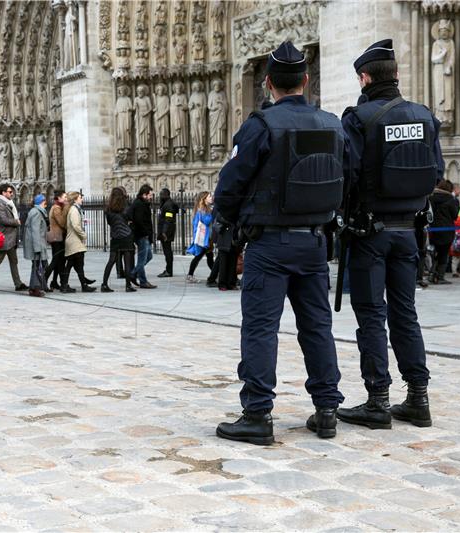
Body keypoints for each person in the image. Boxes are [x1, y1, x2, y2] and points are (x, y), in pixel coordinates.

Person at [214, 41, 348, 444]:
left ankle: (257, 414)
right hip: (314, 243)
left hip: (269, 245)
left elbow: (228, 188)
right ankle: (327, 410)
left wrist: (238, 226)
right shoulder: (332, 124)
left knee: (260, 329)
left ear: (267, 83)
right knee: (317, 328)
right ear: (306, 81)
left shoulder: (260, 126)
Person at [337, 39, 445, 431]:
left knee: (370, 316)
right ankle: (418, 397)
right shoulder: (424, 116)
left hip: (370, 231)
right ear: (396, 75)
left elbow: (345, 175)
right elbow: (436, 171)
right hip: (410, 232)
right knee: (406, 314)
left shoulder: (359, 119)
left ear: (364, 77)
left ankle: (377, 401)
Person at [0, 183, 28, 291]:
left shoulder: (8, 202)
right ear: (3, 193)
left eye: (12, 192)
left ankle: (18, 283)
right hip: (4, 237)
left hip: (10, 238)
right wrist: (16, 222)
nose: (12, 194)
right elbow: (3, 220)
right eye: (10, 192)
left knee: (13, 261)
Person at [102, 187, 137, 293]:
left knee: (111, 261)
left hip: (115, 236)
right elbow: (130, 218)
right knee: (127, 261)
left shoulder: (108, 208)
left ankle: (104, 284)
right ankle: (128, 285)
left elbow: (109, 222)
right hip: (126, 235)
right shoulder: (126, 206)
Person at [61, 191, 96, 293]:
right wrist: (83, 235)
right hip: (74, 242)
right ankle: (65, 285)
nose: (82, 199)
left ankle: (83, 284)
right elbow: (75, 225)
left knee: (78, 265)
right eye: (80, 197)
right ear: (75, 199)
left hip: (74, 241)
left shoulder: (75, 210)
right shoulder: (74, 210)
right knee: (71, 264)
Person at [428, 179, 459, 284]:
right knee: (443, 254)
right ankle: (439, 276)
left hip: (432, 229)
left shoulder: (431, 198)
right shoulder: (451, 199)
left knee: (433, 253)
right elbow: (455, 215)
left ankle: (431, 274)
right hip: (446, 229)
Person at [126, 184, 157, 289]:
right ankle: (140, 279)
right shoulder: (139, 204)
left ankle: (135, 274)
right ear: (144, 195)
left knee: (148, 256)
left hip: (143, 234)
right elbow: (139, 220)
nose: (151, 197)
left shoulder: (142, 203)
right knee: (142, 259)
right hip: (141, 235)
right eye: (150, 195)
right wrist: (146, 232)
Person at [186, 191, 215, 283]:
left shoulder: (206, 209)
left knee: (209, 257)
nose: (212, 198)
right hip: (203, 238)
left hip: (207, 238)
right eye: (209, 197)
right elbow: (206, 221)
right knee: (199, 257)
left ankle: (215, 275)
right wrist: (213, 214)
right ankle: (190, 275)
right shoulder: (202, 210)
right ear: (204, 199)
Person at [24, 194, 50, 297]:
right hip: (37, 244)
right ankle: (35, 288)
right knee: (37, 266)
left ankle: (37, 286)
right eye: (45, 202)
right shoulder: (36, 213)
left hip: (39, 243)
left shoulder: (37, 211)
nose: (46, 205)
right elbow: (35, 231)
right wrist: (37, 248)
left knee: (39, 266)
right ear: (41, 202)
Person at [45, 190, 69, 291]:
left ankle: (54, 282)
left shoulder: (58, 207)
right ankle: (43, 280)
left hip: (58, 237)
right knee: (55, 261)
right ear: (58, 198)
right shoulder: (56, 208)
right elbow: (62, 222)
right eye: (64, 197)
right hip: (57, 237)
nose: (66, 199)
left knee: (60, 261)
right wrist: (67, 208)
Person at [157, 188, 179, 277]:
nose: (160, 196)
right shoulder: (167, 203)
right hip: (166, 230)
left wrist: (164, 232)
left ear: (166, 195)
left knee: (167, 251)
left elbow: (168, 219)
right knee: (167, 250)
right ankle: (168, 269)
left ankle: (169, 271)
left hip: (166, 231)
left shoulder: (168, 205)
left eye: (161, 194)